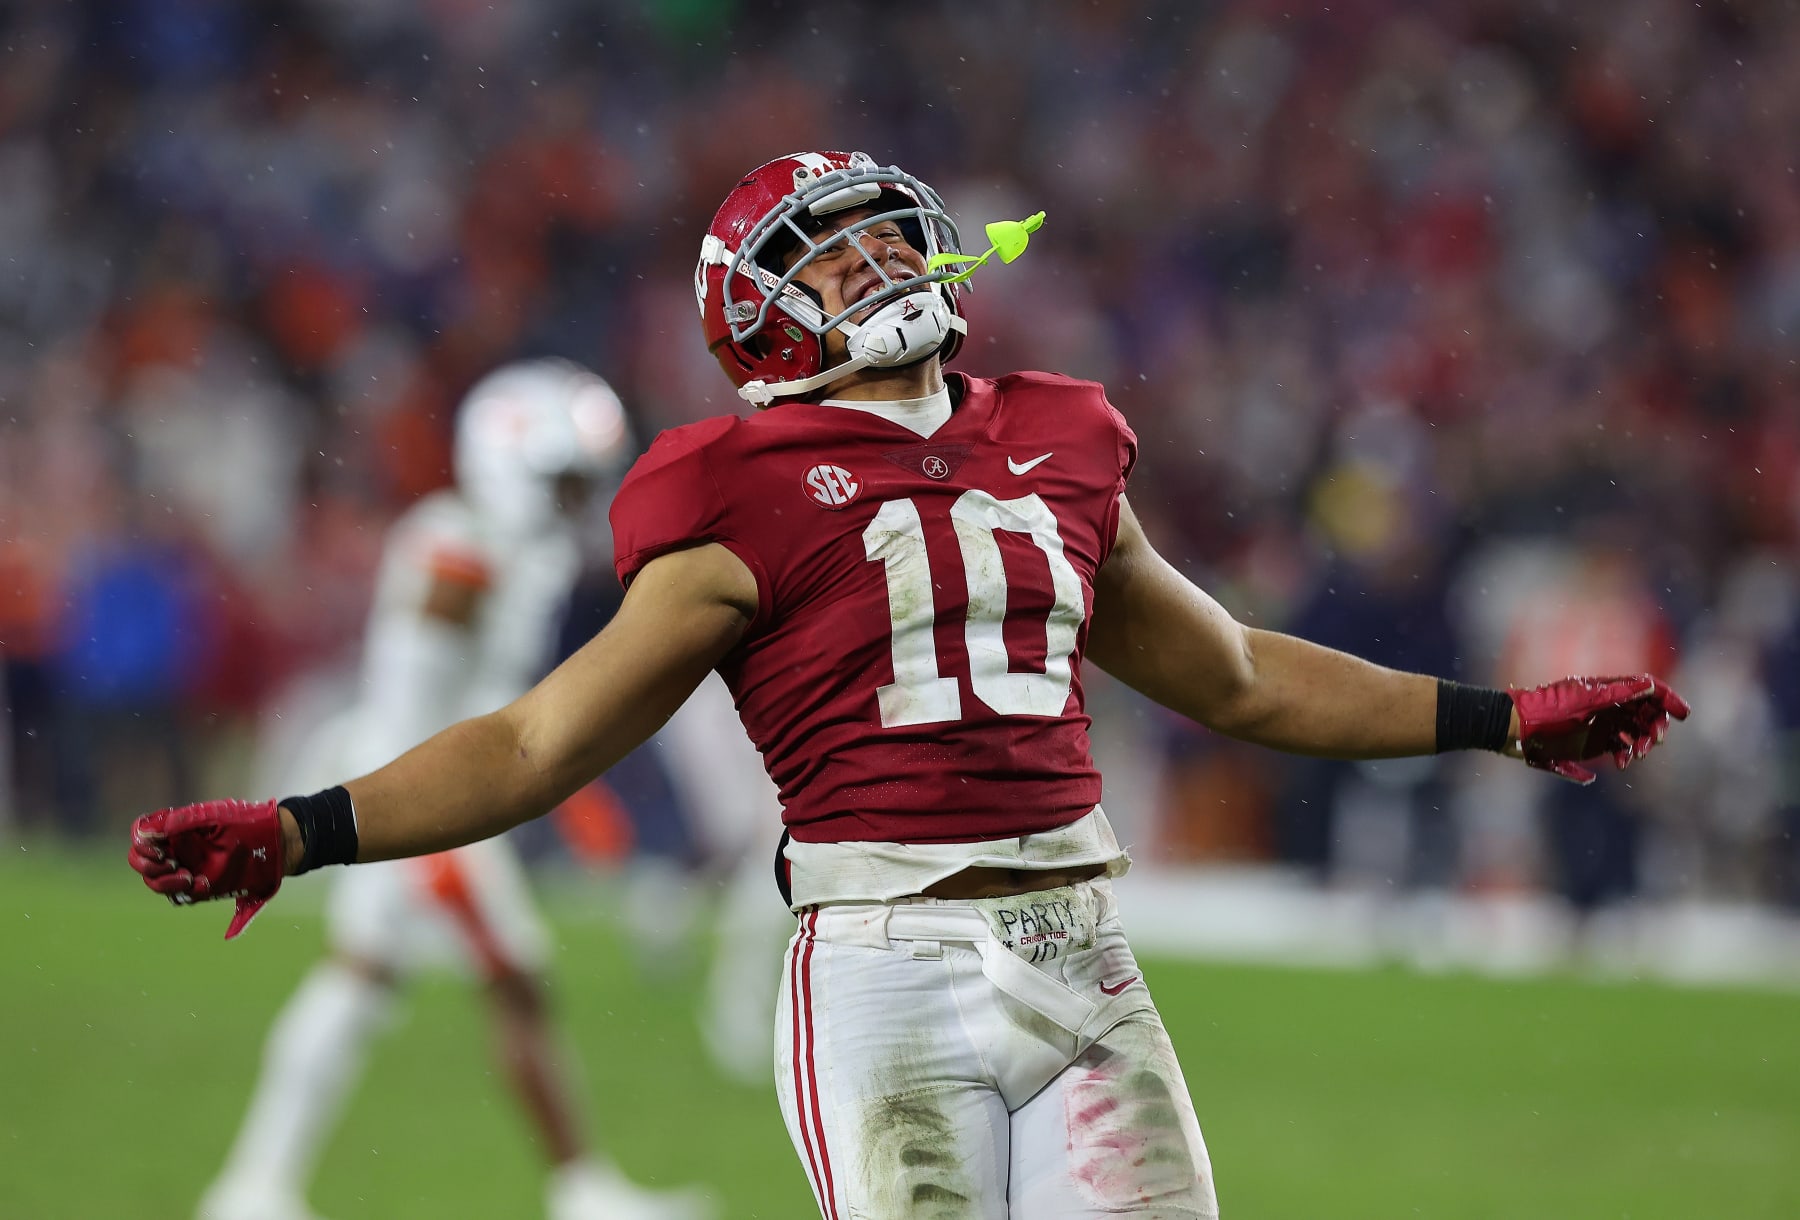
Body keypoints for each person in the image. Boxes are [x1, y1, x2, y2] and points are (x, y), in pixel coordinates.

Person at [131, 151, 1690, 1219]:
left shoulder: (1062, 431)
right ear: (760, 316)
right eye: (835, 251)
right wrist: (305, 829)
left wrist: (1494, 721)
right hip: (886, 965)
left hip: (1080, 945)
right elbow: (544, 737)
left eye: (889, 230)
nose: (881, 260)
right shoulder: (728, 486)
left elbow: (1234, 675)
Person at [191, 359, 709, 1220]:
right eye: (565, 480)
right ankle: (582, 1190)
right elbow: (419, 704)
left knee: (361, 981)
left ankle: (252, 1188)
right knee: (511, 979)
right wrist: (416, 830)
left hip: (411, 786)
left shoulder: (495, 541)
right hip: (417, 794)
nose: (577, 500)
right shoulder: (461, 548)